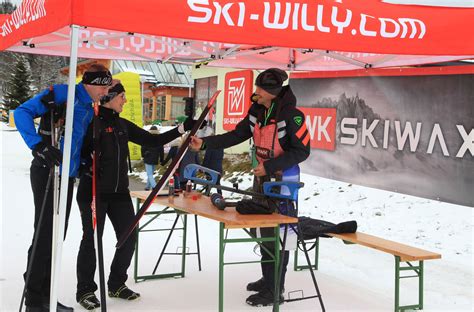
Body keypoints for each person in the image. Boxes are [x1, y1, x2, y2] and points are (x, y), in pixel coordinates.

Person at [190, 68, 310, 307]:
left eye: (260, 90)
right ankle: (268, 280)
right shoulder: (257, 111)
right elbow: (236, 135)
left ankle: (276, 289)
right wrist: (204, 143)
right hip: (262, 180)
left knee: (279, 235)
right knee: (263, 232)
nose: (256, 93)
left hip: (284, 183)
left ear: (273, 93)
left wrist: (271, 166)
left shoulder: (294, 116)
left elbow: (302, 151)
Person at [75, 82, 198, 310]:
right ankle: (85, 290)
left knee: (128, 237)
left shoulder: (121, 125)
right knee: (92, 240)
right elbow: (75, 152)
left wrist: (182, 129)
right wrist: (85, 161)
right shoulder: (91, 123)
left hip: (119, 192)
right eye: (122, 96)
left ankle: (116, 283)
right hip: (94, 192)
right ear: (109, 97)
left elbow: (152, 140)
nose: (125, 100)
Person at [15, 63, 112, 312]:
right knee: (46, 234)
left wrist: (82, 164)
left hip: (66, 177)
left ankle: (46, 293)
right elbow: (21, 112)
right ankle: (35, 300)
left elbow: (76, 141)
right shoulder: (62, 94)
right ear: (94, 84)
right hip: (48, 173)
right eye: (104, 88)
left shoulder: (90, 107)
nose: (106, 93)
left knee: (57, 236)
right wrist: (38, 146)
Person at [141, 125, 164, 190]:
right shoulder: (159, 139)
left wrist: (143, 155)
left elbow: (143, 147)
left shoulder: (147, 138)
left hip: (147, 157)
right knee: (150, 173)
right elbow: (161, 150)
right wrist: (161, 159)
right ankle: (147, 187)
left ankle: (155, 187)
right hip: (155, 158)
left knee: (149, 174)